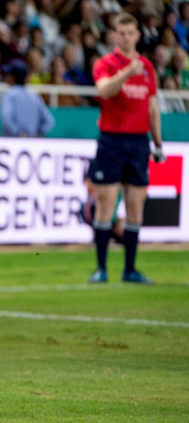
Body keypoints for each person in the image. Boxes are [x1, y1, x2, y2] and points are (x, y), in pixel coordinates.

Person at [87, 12, 165, 285]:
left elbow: (152, 106)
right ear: (114, 35)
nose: (126, 37)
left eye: (131, 33)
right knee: (106, 203)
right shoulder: (106, 64)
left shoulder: (147, 67)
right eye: (121, 32)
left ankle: (130, 269)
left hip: (138, 142)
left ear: (138, 35)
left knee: (135, 205)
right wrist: (125, 73)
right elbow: (104, 90)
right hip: (112, 139)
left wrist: (157, 142)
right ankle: (101, 269)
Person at [0, 58, 55, 138]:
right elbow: (49, 121)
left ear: (13, 77)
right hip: (32, 144)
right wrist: (37, 133)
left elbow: (6, 118)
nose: (6, 78)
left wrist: (19, 133)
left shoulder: (10, 94)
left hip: (13, 144)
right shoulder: (34, 95)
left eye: (8, 75)